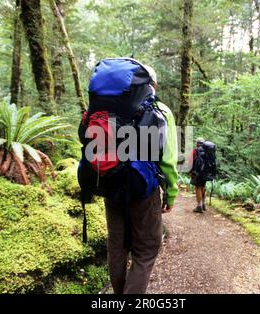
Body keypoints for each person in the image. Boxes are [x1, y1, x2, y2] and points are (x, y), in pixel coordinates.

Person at [101, 62, 179, 294]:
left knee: (117, 246)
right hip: (144, 189)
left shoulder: (105, 109)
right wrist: (171, 193)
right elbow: (168, 158)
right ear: (151, 84)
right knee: (146, 250)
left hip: (111, 186)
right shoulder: (161, 110)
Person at [189, 137, 209, 213]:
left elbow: (190, 162)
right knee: (203, 187)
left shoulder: (195, 151)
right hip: (205, 173)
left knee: (198, 188)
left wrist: (190, 172)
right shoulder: (207, 151)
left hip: (196, 173)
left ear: (197, 143)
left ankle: (199, 206)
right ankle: (203, 204)